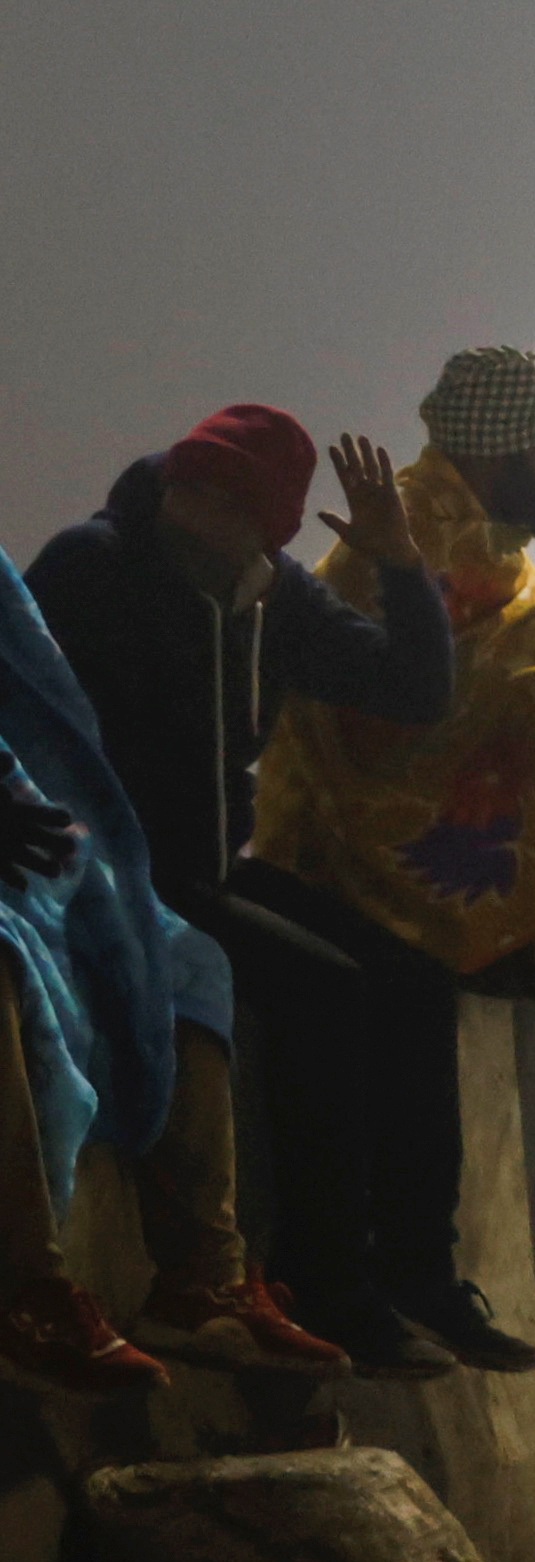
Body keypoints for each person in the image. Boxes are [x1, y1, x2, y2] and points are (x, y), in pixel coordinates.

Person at [246, 344, 535, 1371]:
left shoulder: (489, 543)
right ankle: (349, 1292)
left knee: (420, 1052)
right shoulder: (401, 533)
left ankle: (423, 1278)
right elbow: (377, 725)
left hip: (416, 893)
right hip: (335, 863)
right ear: (504, 443)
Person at [27, 406, 452, 1370]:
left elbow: (414, 691)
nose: (196, 509)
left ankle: (420, 1273)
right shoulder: (95, 567)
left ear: (268, 525)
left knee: (414, 977)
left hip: (211, 863)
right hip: (116, 871)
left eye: (224, 500)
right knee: (321, 989)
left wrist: (398, 563)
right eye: (191, 486)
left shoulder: (272, 596)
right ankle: (328, 1285)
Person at [0, 561, 290, 1391]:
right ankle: (28, 1289)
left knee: (184, 956)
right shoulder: (100, 565)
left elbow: (50, 730)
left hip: (23, 853)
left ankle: (201, 1278)